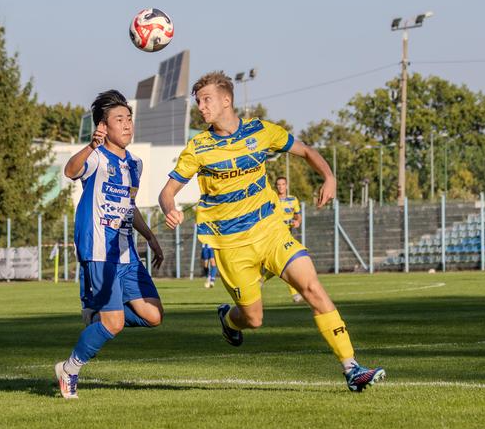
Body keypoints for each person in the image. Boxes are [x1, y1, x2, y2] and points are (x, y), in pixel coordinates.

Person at [158, 71, 385, 392]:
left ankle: (351, 367)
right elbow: (167, 191)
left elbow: (306, 151)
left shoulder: (261, 131)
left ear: (227, 100)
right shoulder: (199, 147)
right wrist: (170, 207)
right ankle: (228, 319)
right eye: (198, 102)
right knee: (253, 319)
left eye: (206, 99)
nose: (201, 107)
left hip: (271, 232)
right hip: (231, 246)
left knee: (313, 288)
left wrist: (329, 177)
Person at [55, 90, 165, 399]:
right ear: (103, 126)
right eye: (120, 119)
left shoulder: (134, 164)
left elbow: (130, 205)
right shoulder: (97, 156)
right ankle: (70, 369)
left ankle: (99, 317)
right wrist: (92, 144)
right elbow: (70, 171)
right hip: (99, 249)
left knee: (153, 316)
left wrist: (150, 236)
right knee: (115, 323)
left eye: (129, 118)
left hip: (126, 252)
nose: (128, 125)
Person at [274, 176, 304, 303]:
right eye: (278, 184)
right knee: (286, 264)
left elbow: (298, 217)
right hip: (276, 236)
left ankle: (261, 280)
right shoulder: (272, 200)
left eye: (283, 184)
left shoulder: (293, 200)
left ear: (286, 186)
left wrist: (297, 222)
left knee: (281, 265)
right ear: (276, 186)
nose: (281, 187)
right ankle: (295, 294)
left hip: (288, 235)